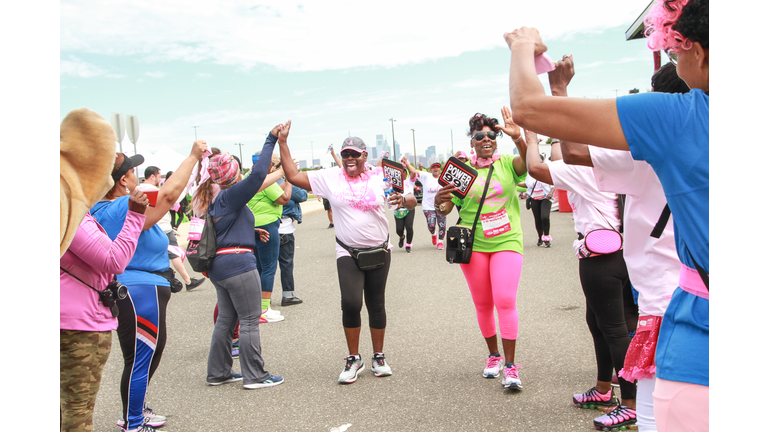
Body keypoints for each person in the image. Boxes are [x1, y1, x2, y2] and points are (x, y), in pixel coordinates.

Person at [504, 1, 707, 430]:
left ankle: (620, 399)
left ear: (700, 52)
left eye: (675, 50)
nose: (675, 57)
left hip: (686, 311)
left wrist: (523, 46)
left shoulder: (682, 118)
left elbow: (536, 116)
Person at [556, 60, 688, 431]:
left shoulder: (648, 153)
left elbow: (574, 152)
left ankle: (628, 406)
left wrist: (560, 90)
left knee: (655, 412)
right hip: (695, 285)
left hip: (663, 296)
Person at [278, 134, 415, 384]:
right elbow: (294, 176)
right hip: (347, 251)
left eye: (354, 154)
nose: (350, 158)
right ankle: (354, 358)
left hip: (379, 250)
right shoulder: (330, 176)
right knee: (351, 303)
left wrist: (403, 199)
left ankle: (378, 357)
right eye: (345, 154)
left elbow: (412, 199)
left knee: (376, 303)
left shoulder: (382, 175)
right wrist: (283, 143)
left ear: (365, 155)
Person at [91, 141, 206, 432]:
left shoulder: (113, 207)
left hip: (143, 289)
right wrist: (193, 156)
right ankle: (132, 422)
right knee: (140, 358)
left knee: (145, 355)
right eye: (132, 170)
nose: (136, 175)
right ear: (122, 180)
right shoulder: (119, 207)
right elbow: (168, 195)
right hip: (139, 289)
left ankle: (134, 411)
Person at [434, 109, 529, 390]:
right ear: (472, 141)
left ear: (496, 140)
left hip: (507, 241)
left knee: (505, 300)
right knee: (484, 303)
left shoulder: (508, 164)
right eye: (479, 136)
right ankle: (493, 356)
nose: (486, 139)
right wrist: (440, 200)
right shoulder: (463, 171)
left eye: (491, 135)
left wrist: (519, 139)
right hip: (472, 244)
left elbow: (530, 163)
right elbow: (446, 208)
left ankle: (510, 367)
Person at [202, 124, 288, 391]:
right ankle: (255, 375)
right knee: (250, 319)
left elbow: (225, 229)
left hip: (220, 265)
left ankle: (218, 372)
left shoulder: (217, 198)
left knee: (226, 320)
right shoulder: (232, 194)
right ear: (234, 172)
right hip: (239, 264)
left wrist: (250, 232)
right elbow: (260, 173)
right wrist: (271, 139)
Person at [141, 166, 205, 291]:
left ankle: (167, 280)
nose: (160, 179)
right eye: (159, 176)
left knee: (161, 255)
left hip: (152, 228)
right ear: (152, 176)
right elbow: (172, 201)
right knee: (174, 253)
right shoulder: (152, 190)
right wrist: (185, 187)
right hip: (163, 227)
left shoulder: (139, 190)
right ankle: (188, 281)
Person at [247, 154, 292, 322]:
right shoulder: (265, 180)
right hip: (267, 225)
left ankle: (258, 306)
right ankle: (264, 309)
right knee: (269, 267)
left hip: (252, 225)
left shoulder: (249, 176)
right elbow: (284, 198)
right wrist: (289, 180)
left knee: (259, 267)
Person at [277, 175, 308, 306]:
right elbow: (303, 195)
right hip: (284, 228)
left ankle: (262, 298)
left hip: (265, 227)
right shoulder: (282, 183)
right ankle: (288, 295)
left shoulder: (259, 182)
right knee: (286, 264)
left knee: (266, 266)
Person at [403, 160, 446, 249]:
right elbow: (414, 171)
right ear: (430, 169)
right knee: (431, 225)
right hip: (428, 206)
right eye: (434, 167)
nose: (436, 169)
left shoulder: (444, 178)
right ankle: (433, 233)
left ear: (440, 169)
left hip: (441, 205)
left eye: (437, 167)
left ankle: (440, 242)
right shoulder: (426, 176)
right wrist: (407, 163)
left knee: (442, 224)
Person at [523, 170, 554, 247]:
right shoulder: (530, 174)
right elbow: (527, 185)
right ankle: (540, 237)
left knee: (544, 217)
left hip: (546, 198)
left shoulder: (546, 172)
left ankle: (546, 237)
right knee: (538, 219)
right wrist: (515, 183)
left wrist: (551, 193)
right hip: (534, 198)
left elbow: (553, 185)